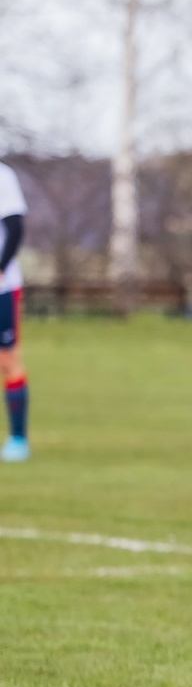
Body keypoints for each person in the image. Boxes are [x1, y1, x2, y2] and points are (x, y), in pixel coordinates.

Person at [0, 160, 29, 463]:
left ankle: (18, 439)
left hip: (3, 287)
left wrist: (1, 267)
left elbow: (15, 228)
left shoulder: (3, 177)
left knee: (7, 358)